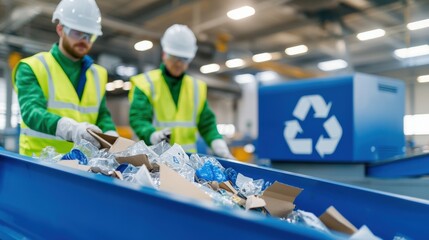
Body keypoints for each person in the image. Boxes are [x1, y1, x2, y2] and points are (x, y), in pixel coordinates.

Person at [12, 0, 117, 156]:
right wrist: (70, 129)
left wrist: (111, 134)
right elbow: (31, 112)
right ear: (60, 29)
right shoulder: (32, 66)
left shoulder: (98, 74)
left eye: (90, 36)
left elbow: (101, 114)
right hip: (40, 164)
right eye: (77, 32)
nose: (84, 40)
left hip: (83, 165)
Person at [129, 24, 233, 159]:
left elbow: (207, 124)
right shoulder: (146, 84)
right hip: (154, 160)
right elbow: (139, 119)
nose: (179, 64)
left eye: (184, 59)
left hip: (186, 162)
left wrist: (218, 143)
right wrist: (152, 135)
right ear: (164, 54)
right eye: (174, 57)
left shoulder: (196, 88)